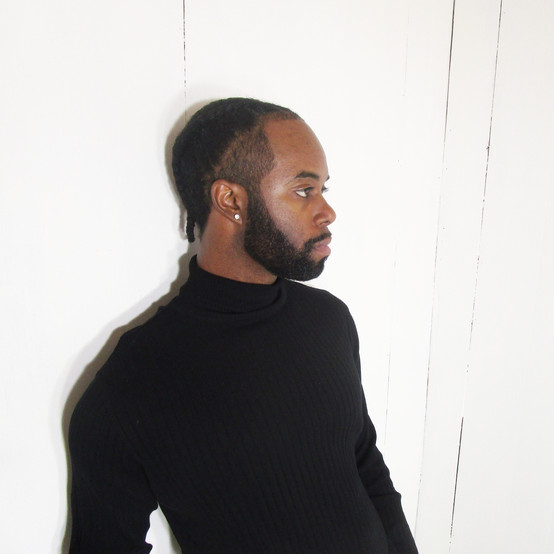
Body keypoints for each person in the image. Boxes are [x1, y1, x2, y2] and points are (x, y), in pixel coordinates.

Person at [68, 97, 418, 553]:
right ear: (231, 200)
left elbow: (366, 465)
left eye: (323, 189)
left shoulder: (328, 319)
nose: (327, 212)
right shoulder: (136, 379)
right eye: (303, 190)